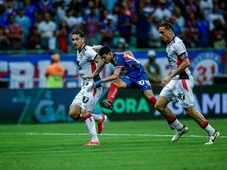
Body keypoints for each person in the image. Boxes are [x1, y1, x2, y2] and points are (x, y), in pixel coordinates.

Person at [156, 22, 220, 145]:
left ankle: (212, 132)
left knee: (189, 111)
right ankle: (180, 128)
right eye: (159, 33)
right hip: (174, 80)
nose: (160, 35)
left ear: (170, 31)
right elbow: (176, 65)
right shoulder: (169, 45)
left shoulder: (177, 44)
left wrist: (171, 76)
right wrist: (169, 76)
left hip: (182, 80)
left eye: (162, 32)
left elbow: (186, 63)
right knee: (159, 105)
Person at [87, 45, 157, 110]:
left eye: (104, 57)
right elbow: (128, 52)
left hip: (140, 75)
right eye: (102, 58)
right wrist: (132, 63)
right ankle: (109, 103)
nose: (104, 60)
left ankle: (164, 110)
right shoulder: (113, 56)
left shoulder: (118, 57)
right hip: (130, 76)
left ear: (110, 54)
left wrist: (99, 82)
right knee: (115, 82)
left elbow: (115, 76)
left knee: (151, 99)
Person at [70, 29, 107, 146]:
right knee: (74, 114)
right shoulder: (81, 49)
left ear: (82, 39)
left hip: (93, 85)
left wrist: (93, 74)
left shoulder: (88, 52)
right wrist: (96, 48)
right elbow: (88, 48)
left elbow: (102, 60)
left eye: (77, 39)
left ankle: (95, 140)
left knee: (85, 112)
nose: (74, 42)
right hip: (84, 86)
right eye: (72, 40)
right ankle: (100, 118)